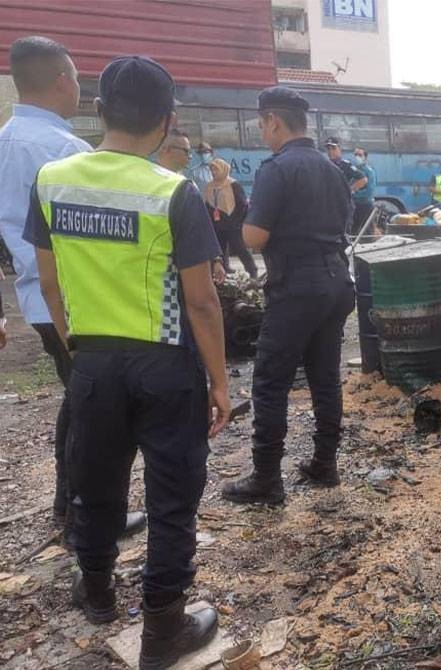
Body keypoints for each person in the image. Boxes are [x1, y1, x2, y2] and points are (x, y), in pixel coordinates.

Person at [23, 55, 229, 667]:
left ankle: (97, 592)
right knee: (172, 496)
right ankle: (163, 629)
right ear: (168, 120)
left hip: (93, 361)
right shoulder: (173, 192)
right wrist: (220, 382)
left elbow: (49, 282)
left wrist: (76, 347)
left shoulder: (52, 181)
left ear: (99, 110)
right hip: (165, 366)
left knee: (95, 481)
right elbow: (201, 301)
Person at [0, 36, 146, 536]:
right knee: (99, 416)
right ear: (62, 80)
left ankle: (70, 507)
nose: (80, 88)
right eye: (78, 78)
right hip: (79, 305)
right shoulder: (68, 152)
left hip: (36, 302)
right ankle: (88, 519)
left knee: (78, 400)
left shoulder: (4, 142)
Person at [221, 86, 355, 505]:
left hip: (297, 286)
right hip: (336, 282)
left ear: (273, 121)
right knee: (325, 377)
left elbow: (254, 239)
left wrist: (239, 219)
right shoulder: (333, 168)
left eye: (262, 125)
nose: (261, 133)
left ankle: (266, 479)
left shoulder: (275, 170)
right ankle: (325, 464)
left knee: (269, 381)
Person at [158, 131, 227, 285]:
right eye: (186, 151)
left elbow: (202, 227)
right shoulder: (154, 185)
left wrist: (216, 259)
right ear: (166, 149)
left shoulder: (186, 185)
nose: (190, 156)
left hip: (182, 268)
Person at [204, 158, 257, 277]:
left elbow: (242, 204)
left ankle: (252, 271)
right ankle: (223, 270)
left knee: (240, 248)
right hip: (217, 224)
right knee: (220, 249)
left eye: (216, 170)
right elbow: (208, 204)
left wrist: (238, 221)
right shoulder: (210, 187)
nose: (213, 173)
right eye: (212, 170)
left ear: (223, 169)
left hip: (233, 223)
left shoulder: (233, 185)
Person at [351, 147, 377, 235]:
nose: (357, 157)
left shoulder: (369, 171)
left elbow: (369, 191)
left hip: (366, 205)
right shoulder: (352, 170)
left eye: (360, 155)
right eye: (355, 155)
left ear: (365, 157)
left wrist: (353, 194)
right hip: (353, 205)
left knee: (367, 231)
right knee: (352, 231)